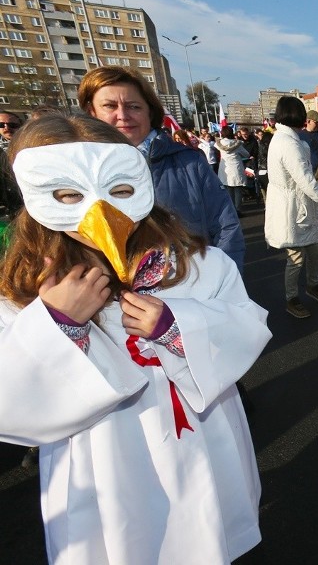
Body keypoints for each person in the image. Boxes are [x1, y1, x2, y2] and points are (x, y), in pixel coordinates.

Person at [0, 114, 271, 564]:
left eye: (120, 191)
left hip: (203, 446)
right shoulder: (22, 289)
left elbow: (245, 326)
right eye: (68, 195)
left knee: (210, 537)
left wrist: (178, 326)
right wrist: (56, 322)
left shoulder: (199, 264)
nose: (99, 212)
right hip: (105, 463)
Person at [77, 66, 245, 272]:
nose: (123, 115)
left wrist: (226, 287)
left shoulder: (190, 163)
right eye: (110, 106)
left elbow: (226, 228)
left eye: (133, 106)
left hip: (194, 293)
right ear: (91, 112)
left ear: (150, 111)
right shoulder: (75, 172)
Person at [265, 96, 318, 319]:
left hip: (301, 204)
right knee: (295, 257)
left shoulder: (290, 139)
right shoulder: (287, 143)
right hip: (292, 208)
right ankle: (291, 298)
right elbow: (306, 180)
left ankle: (313, 285)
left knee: (316, 250)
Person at [215, 126, 251, 217]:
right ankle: (238, 210)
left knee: (228, 189)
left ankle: (231, 210)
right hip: (235, 168)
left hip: (225, 169)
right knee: (238, 189)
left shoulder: (219, 144)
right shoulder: (237, 144)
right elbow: (246, 154)